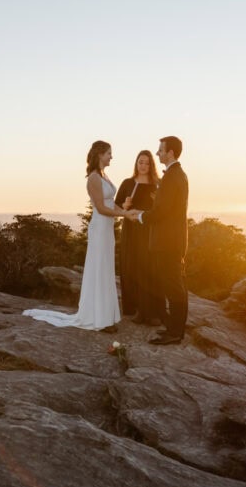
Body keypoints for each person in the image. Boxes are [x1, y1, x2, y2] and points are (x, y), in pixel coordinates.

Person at [23, 140, 134, 331]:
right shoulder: (93, 178)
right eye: (109, 153)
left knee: (106, 268)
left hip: (107, 228)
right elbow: (100, 208)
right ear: (100, 154)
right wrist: (123, 214)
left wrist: (126, 212)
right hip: (100, 227)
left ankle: (106, 315)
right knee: (99, 268)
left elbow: (110, 204)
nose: (111, 157)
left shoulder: (104, 175)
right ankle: (98, 318)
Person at [130, 136, 188, 345]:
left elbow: (162, 211)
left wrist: (140, 216)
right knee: (172, 285)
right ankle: (173, 329)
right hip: (169, 240)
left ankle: (175, 333)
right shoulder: (174, 175)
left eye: (161, 150)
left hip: (168, 242)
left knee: (174, 287)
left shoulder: (174, 176)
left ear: (170, 152)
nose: (157, 153)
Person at [115, 150, 164, 325]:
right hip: (131, 228)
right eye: (140, 162)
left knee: (150, 268)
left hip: (149, 229)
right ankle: (136, 309)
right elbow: (117, 206)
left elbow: (161, 209)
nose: (143, 166)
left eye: (147, 163)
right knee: (133, 265)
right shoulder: (128, 183)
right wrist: (125, 206)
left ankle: (152, 311)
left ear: (151, 165)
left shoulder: (158, 184)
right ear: (136, 163)